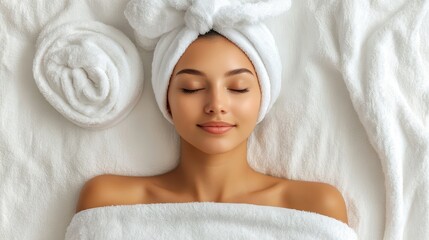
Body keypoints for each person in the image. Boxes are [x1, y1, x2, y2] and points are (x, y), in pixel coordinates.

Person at [74, 30, 349, 225]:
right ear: (166, 98)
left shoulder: (316, 207)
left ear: (262, 98)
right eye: (192, 88)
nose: (216, 105)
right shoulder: (109, 201)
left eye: (238, 88)